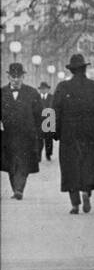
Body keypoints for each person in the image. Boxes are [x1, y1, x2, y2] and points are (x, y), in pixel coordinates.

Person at [51, 53, 94, 214]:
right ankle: (86, 191)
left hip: (68, 133)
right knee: (88, 163)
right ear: (85, 69)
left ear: (71, 70)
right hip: (90, 132)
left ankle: (75, 203)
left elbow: (51, 113)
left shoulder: (62, 87)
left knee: (70, 166)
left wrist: (53, 134)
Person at [2, 63, 44, 199]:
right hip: (7, 136)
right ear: (8, 76)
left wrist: (40, 134)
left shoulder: (32, 93)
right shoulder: (2, 93)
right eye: (13, 76)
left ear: (23, 77)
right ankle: (16, 188)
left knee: (23, 163)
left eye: (18, 76)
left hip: (27, 136)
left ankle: (19, 189)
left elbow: (40, 115)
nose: (16, 79)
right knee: (11, 164)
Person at [37, 80, 54, 160]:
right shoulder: (36, 97)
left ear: (48, 89)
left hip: (49, 121)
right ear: (40, 90)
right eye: (42, 89)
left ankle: (48, 154)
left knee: (49, 140)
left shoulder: (52, 97)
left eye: (45, 89)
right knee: (38, 140)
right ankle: (38, 155)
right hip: (39, 122)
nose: (43, 90)